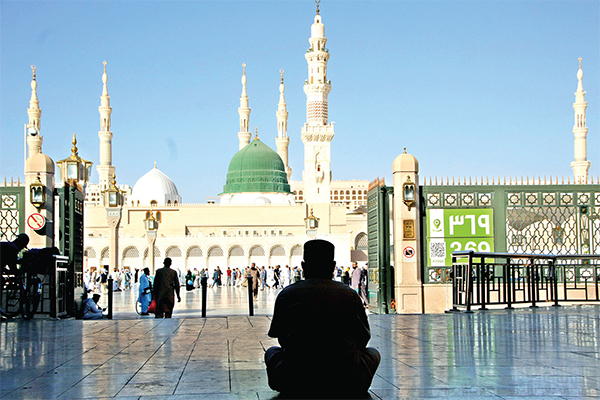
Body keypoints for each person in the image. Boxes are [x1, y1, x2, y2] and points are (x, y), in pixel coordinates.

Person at [265, 239, 380, 398]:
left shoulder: (287, 294)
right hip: (346, 380)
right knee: (373, 353)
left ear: (304, 266)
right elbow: (363, 338)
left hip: (295, 379)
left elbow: (281, 338)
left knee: (271, 352)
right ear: (333, 266)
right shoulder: (349, 296)